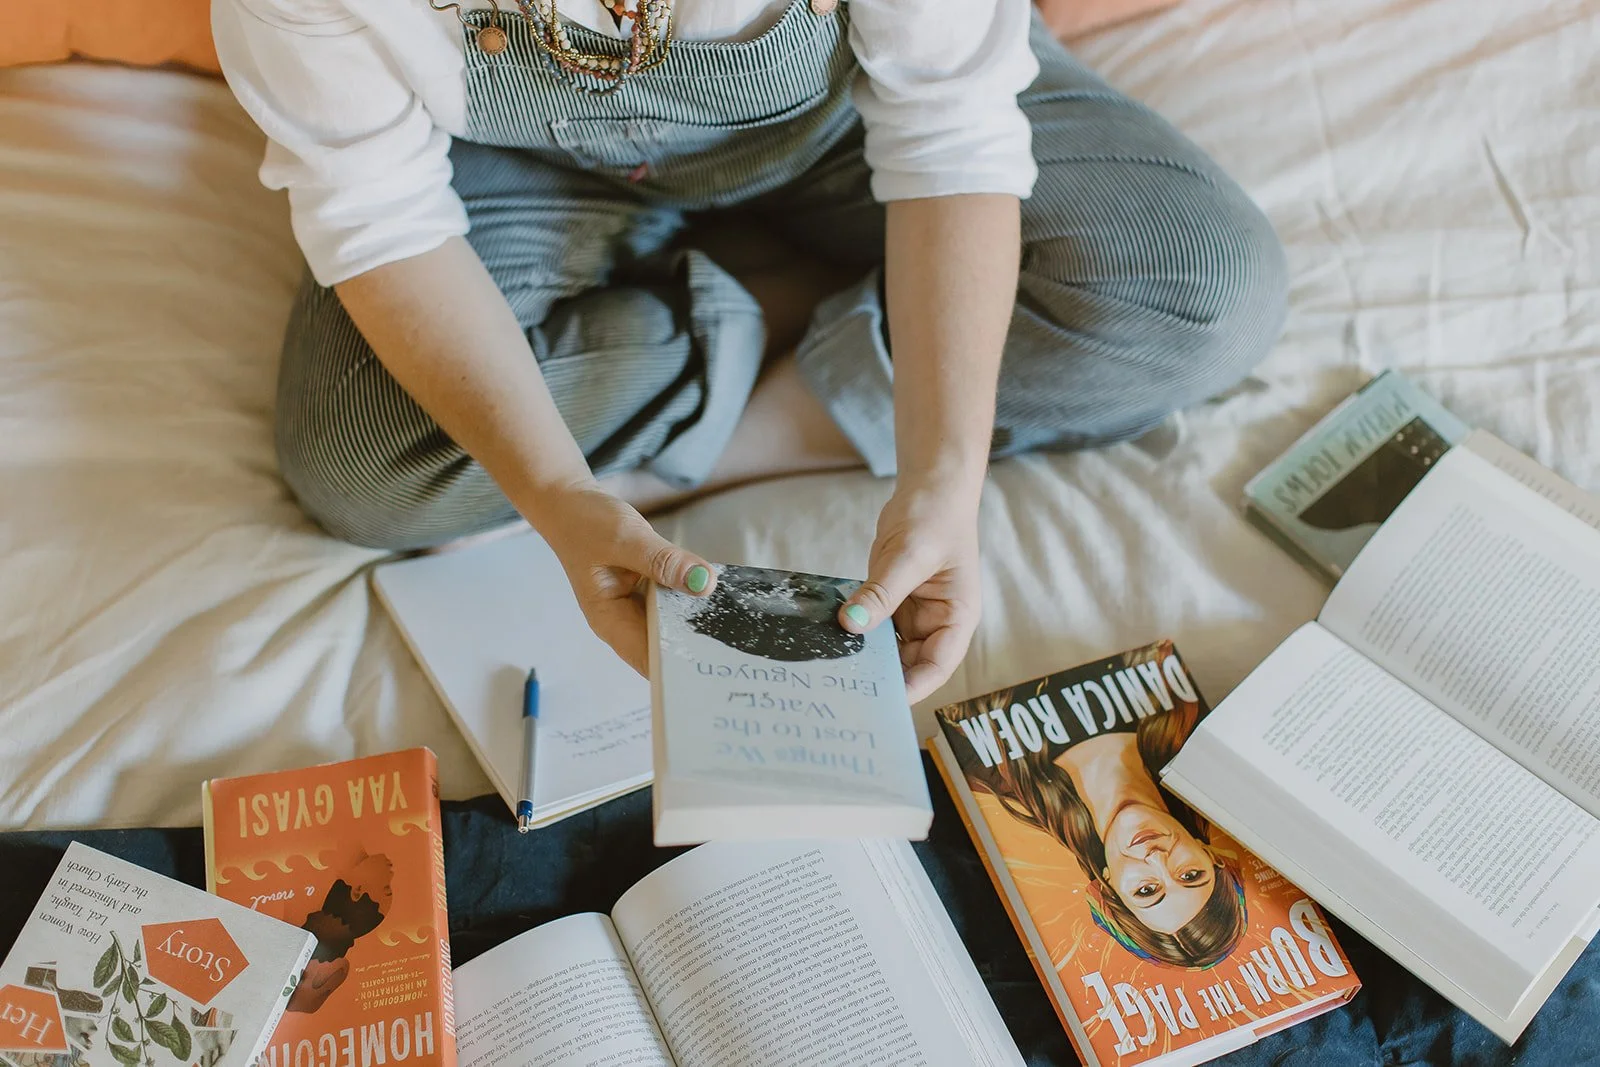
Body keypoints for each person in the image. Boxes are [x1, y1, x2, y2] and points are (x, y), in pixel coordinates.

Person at [212, 0, 1287, 703]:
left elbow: (950, 129)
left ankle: (757, 381)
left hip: (846, 116)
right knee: (367, 468)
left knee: (1199, 289)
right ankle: (798, 304)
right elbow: (383, 217)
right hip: (525, 166)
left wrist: (942, 470)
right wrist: (551, 491)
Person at [985, 677, 1247, 967]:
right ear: (1206, 853)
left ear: (1109, 883)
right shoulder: (1185, 716)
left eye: (1146, 891)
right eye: (1190, 875)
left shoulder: (995, 774)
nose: (1157, 859)